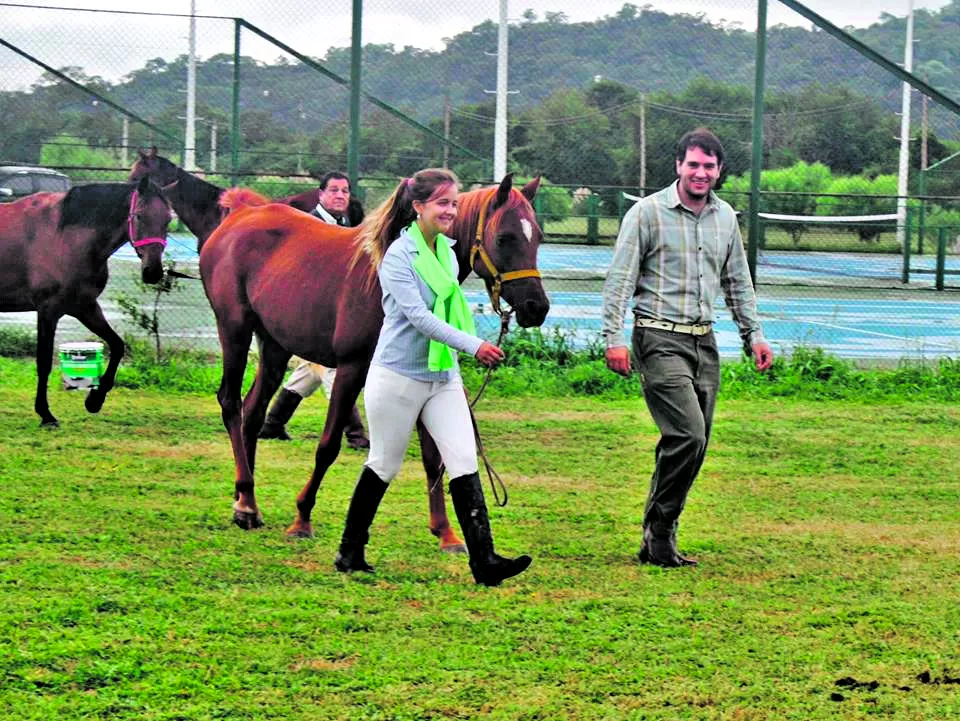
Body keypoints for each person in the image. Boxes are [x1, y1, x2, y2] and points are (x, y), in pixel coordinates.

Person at [333, 168, 532, 587]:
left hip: (442, 376)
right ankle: (350, 550)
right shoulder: (397, 257)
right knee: (384, 463)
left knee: (462, 459)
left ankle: (485, 562)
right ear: (418, 206)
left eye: (455, 203)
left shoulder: (446, 250)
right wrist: (473, 344)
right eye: (443, 203)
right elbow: (419, 317)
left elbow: (448, 307)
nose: (451, 210)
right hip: (398, 377)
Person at [601, 128, 774, 568]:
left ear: (719, 172)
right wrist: (614, 339)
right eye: (693, 164)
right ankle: (661, 531)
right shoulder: (647, 213)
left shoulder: (726, 218)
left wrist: (753, 334)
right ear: (678, 165)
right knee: (687, 434)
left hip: (704, 340)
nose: (701, 173)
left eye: (709, 166)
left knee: (693, 444)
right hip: (657, 337)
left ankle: (659, 531)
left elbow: (737, 281)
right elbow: (620, 279)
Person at [259, 171, 370, 449]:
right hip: (306, 311)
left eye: (345, 190)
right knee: (334, 369)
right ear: (320, 195)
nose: (340, 195)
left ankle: (272, 423)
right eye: (333, 190)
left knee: (311, 370)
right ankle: (355, 435)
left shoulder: (347, 224)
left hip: (336, 310)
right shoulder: (308, 224)